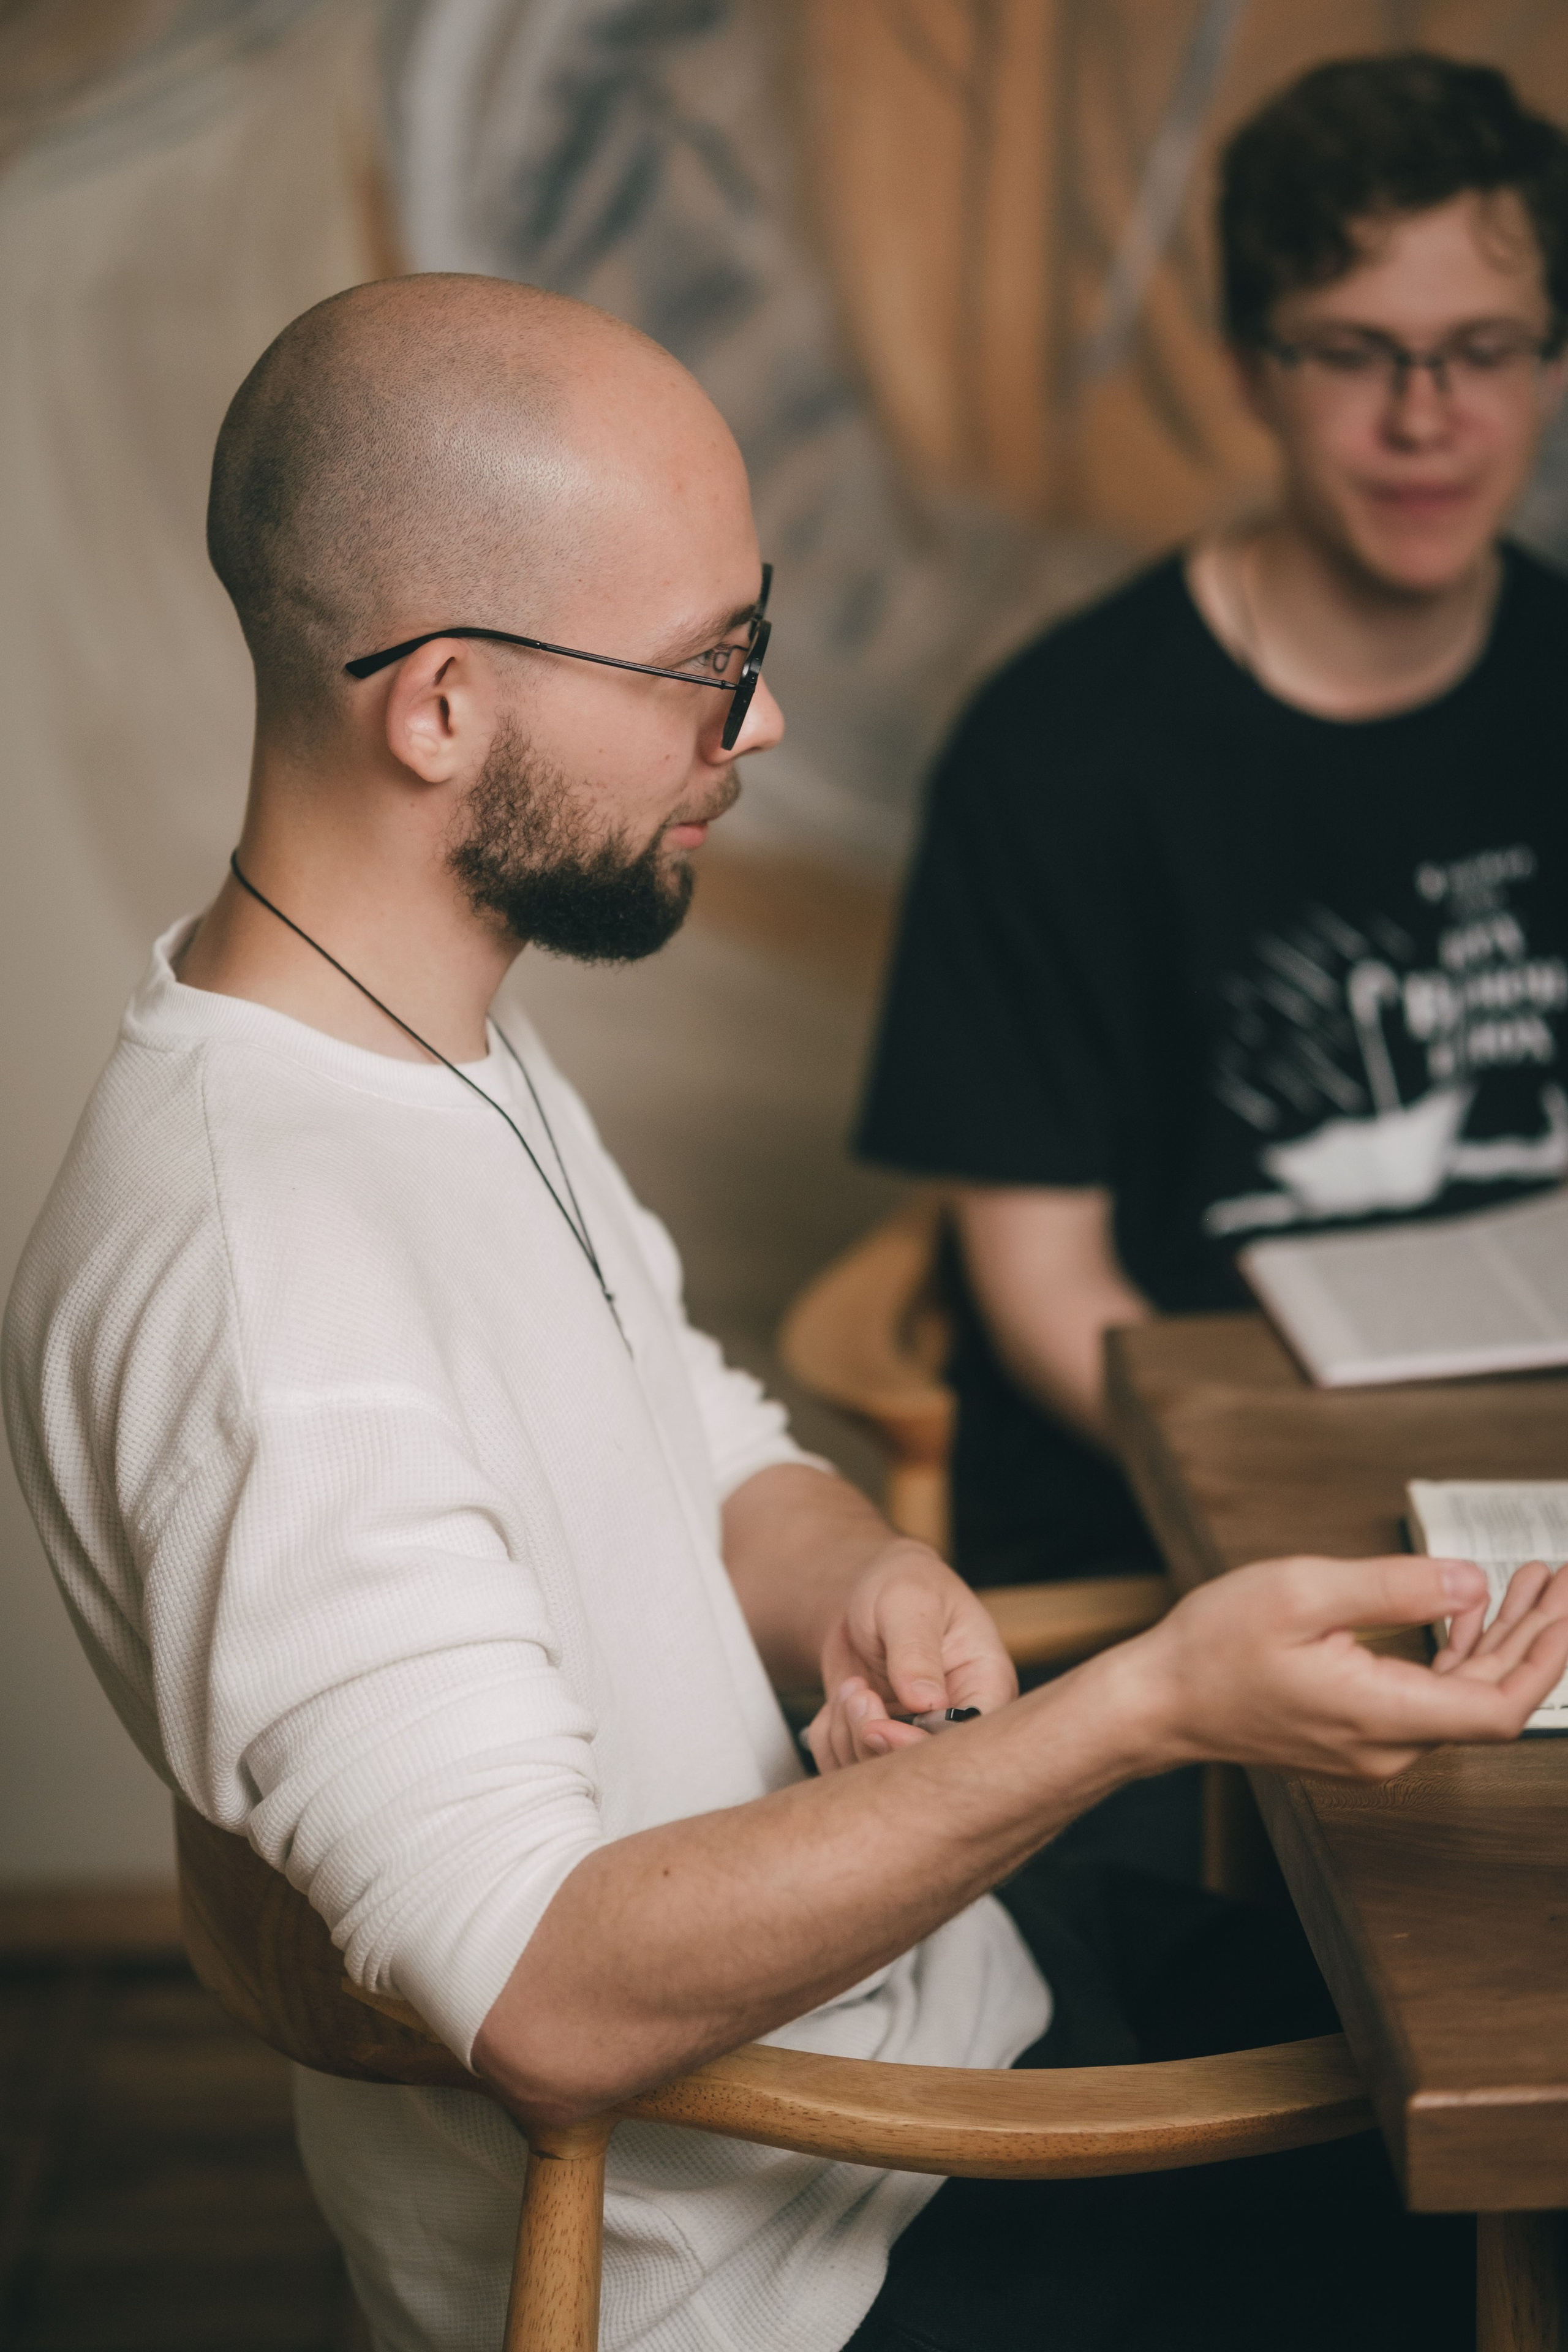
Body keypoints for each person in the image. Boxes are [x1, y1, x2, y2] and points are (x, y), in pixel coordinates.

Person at [5, 274, 1567, 2352]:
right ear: (442, 705)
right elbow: (552, 1998)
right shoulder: (263, 1287)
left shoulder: (417, 1043)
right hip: (802, 2259)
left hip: (925, 2030)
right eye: (703, 666)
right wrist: (1145, 1706)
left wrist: (862, 1575)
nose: (760, 729)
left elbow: (704, 1430)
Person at [858, 53, 1568, 1611]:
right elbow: (1041, 1281)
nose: (1424, 419)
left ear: (1550, 366)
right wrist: (1283, 1513)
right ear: (1252, 368)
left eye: (1480, 350)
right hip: (1180, 1536)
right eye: (1354, 353)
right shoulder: (1055, 748)